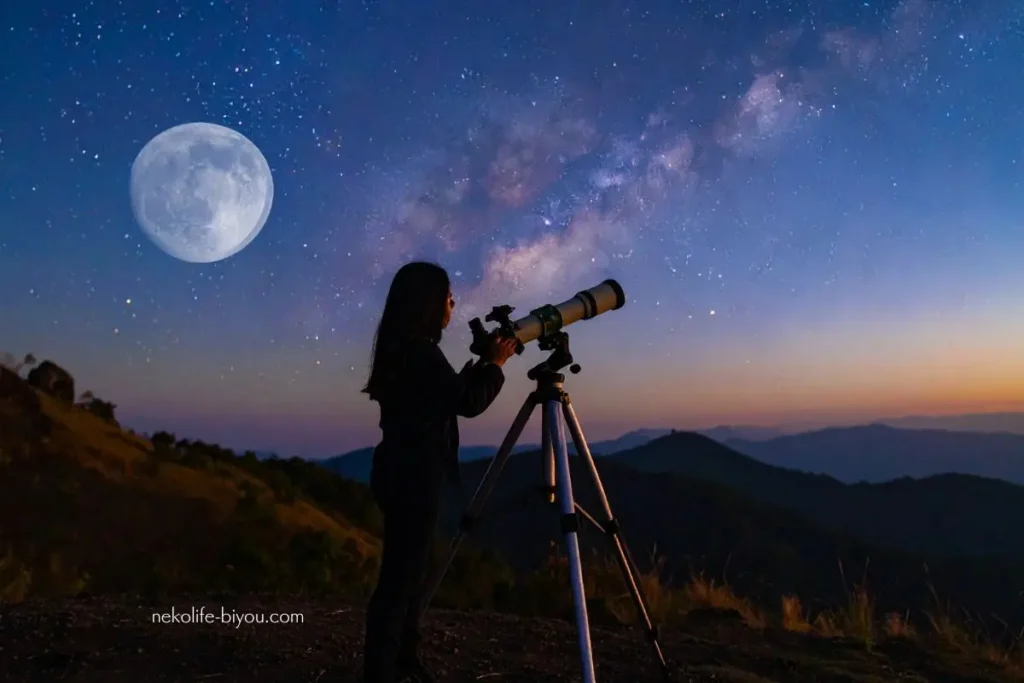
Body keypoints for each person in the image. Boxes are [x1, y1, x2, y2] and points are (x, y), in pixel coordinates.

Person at [360, 261, 518, 683]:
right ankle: (382, 672)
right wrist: (496, 365)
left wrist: (481, 366)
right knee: (399, 581)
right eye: (448, 295)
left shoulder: (404, 348)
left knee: (408, 573)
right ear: (429, 302)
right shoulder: (421, 352)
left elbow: (441, 397)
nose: (453, 302)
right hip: (414, 477)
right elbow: (466, 402)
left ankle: (404, 661)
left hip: (396, 470)